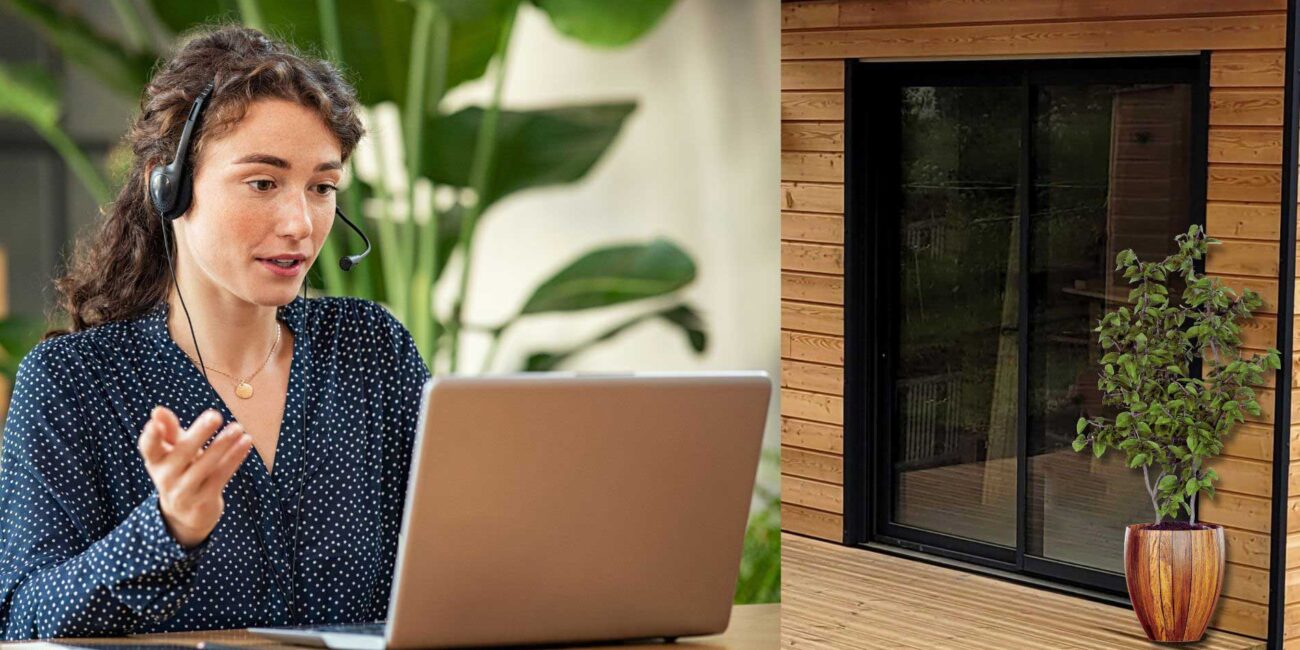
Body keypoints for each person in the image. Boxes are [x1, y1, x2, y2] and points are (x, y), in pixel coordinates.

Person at [0, 25, 431, 639]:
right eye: (263, 182)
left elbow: (453, 563)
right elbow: (23, 619)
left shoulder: (370, 350)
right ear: (168, 184)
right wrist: (167, 530)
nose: (299, 223)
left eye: (322, 187)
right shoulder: (75, 383)